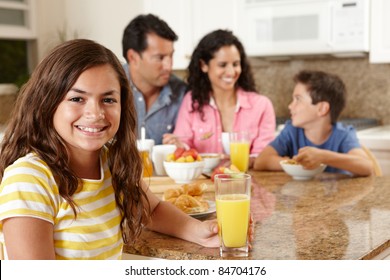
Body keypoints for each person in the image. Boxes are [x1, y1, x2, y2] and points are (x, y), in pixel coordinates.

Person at [0, 39, 220, 260]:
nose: (95, 113)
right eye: (77, 98)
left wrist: (199, 232)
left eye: (108, 99)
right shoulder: (28, 180)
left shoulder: (112, 163)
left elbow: (152, 211)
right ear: (47, 103)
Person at [163, 29, 276, 167]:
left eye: (235, 64)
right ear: (204, 65)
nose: (231, 72)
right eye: (222, 65)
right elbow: (184, 145)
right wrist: (178, 145)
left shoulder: (261, 105)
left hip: (248, 184)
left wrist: (241, 162)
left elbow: (263, 157)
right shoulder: (192, 101)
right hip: (203, 184)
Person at [254, 70, 373, 176]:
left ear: (322, 109)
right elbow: (261, 161)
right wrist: (296, 164)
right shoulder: (291, 131)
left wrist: (323, 157)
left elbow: (367, 166)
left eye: (298, 99)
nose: (290, 106)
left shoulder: (343, 135)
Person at [122, 14, 187, 145]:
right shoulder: (109, 86)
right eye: (160, 58)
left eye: (171, 56)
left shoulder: (182, 93)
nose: (169, 66)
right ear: (133, 57)